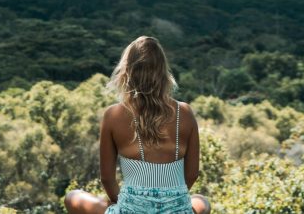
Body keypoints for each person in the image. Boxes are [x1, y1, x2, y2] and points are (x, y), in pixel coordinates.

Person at [65, 36, 211, 214]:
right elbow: (192, 174)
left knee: (73, 197)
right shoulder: (185, 113)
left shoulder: (113, 115)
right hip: (177, 210)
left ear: (127, 71)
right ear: (163, 72)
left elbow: (107, 179)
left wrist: (130, 207)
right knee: (201, 202)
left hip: (130, 210)